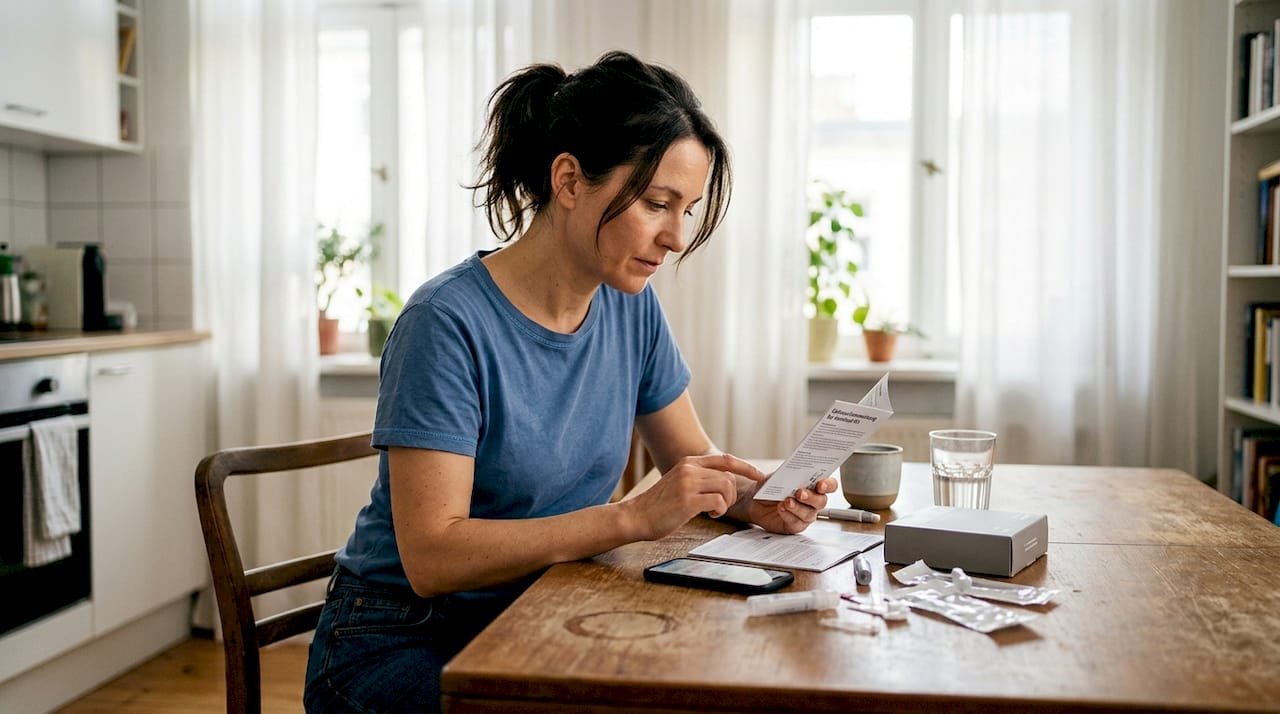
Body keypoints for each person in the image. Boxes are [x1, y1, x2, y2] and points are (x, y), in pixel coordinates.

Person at [303, 50, 836, 713]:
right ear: (569, 180)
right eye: (656, 203)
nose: (674, 237)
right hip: (401, 637)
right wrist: (629, 519)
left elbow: (692, 462)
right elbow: (433, 557)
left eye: (687, 211)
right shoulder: (444, 323)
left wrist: (758, 501)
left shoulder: (629, 304)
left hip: (539, 608)